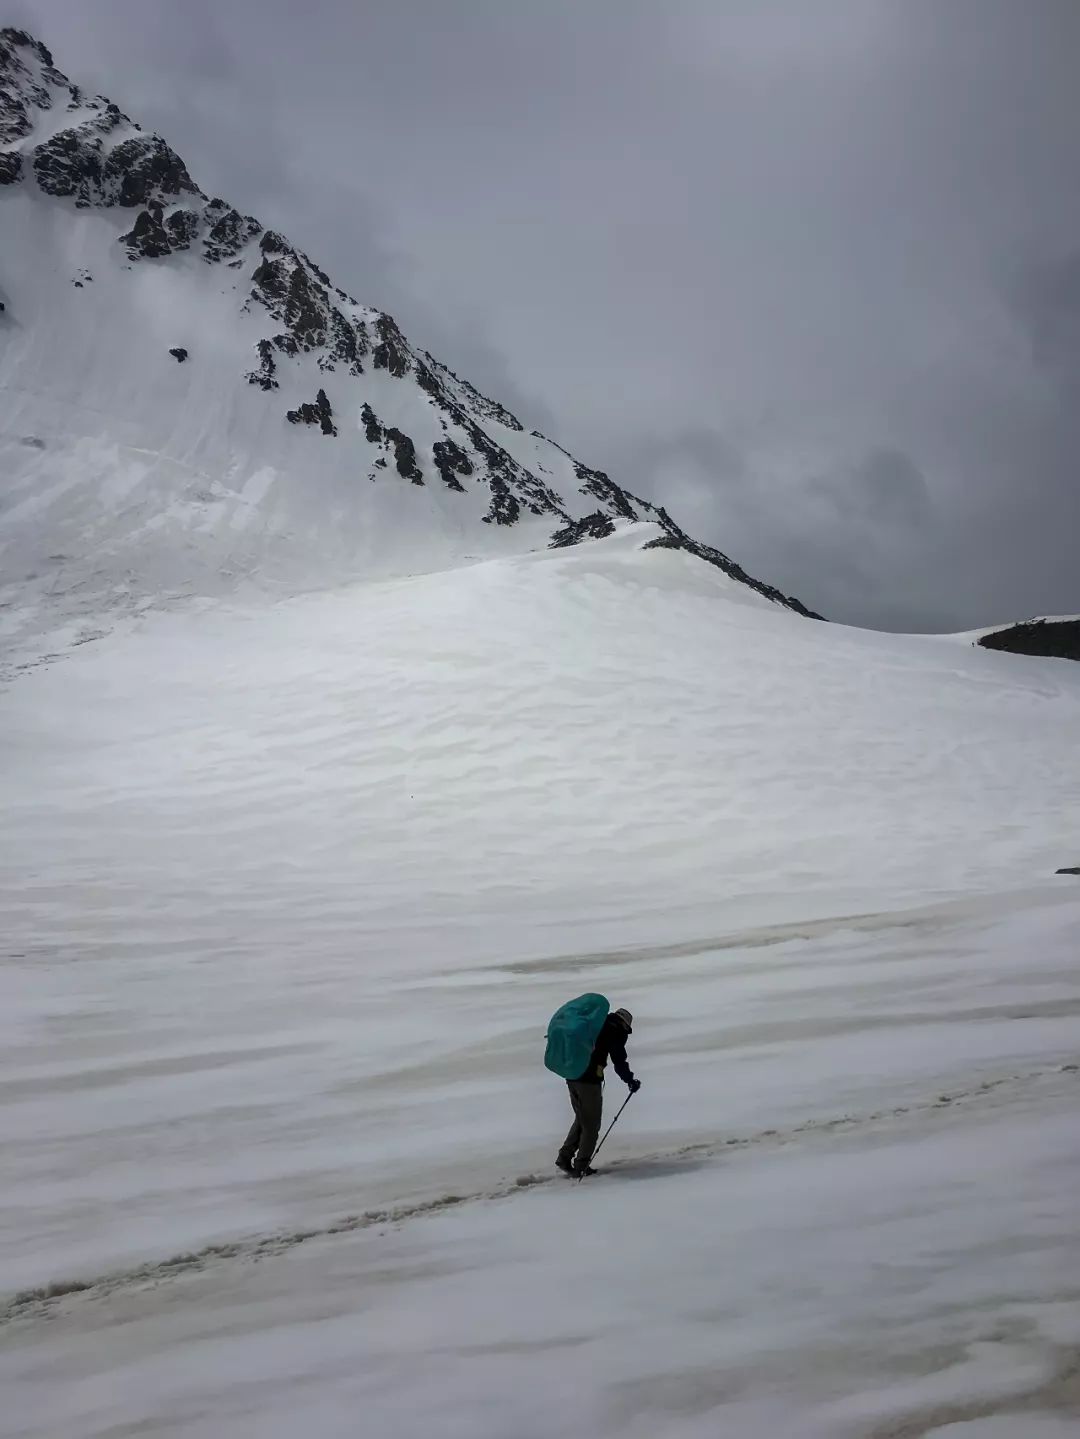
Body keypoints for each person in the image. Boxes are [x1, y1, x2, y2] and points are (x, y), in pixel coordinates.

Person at [556, 1007, 640, 1176]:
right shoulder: (615, 1030)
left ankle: (564, 1158)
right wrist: (630, 1080)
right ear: (624, 1024)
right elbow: (619, 1060)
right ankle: (581, 1165)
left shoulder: (595, 1024)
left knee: (582, 1118)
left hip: (572, 1075)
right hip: (588, 1081)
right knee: (591, 1124)